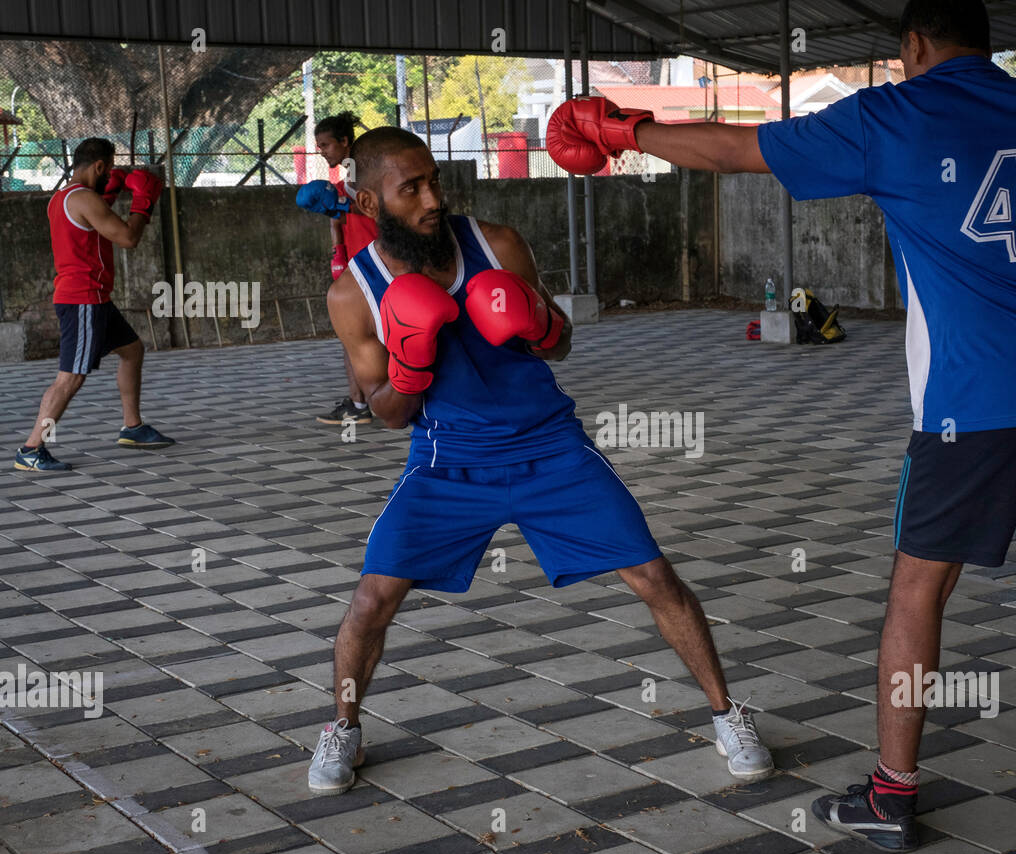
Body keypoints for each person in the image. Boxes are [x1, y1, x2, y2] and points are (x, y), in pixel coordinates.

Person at [547, 0, 1016, 851]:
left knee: (918, 588)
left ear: (914, 46)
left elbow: (736, 150)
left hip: (975, 401)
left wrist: (624, 129)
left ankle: (892, 799)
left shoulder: (890, 116)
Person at [307, 126, 773, 795]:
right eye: (412, 188)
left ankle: (730, 715)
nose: (433, 197)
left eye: (434, 179)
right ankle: (342, 728)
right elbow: (385, 412)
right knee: (371, 599)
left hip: (549, 447)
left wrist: (537, 320)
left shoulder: (494, 243)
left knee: (654, 576)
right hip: (448, 460)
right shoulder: (354, 293)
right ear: (371, 202)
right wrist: (409, 366)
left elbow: (558, 344)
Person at [16, 137, 172, 472]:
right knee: (69, 378)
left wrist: (113, 194)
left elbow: (94, 227)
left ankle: (132, 427)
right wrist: (143, 203)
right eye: (110, 169)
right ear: (99, 166)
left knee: (132, 350)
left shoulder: (62, 198)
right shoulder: (86, 199)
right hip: (83, 300)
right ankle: (33, 447)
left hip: (92, 299)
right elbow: (128, 237)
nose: (111, 174)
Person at [299, 111, 379, 426]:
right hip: (357, 264)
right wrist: (338, 254)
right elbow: (337, 217)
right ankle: (360, 404)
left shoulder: (366, 170)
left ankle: (369, 403)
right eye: (318, 146)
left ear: (344, 142)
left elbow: (383, 208)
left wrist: (346, 205)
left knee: (360, 335)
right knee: (352, 335)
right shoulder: (346, 176)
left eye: (326, 145)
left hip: (378, 261)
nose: (321, 151)